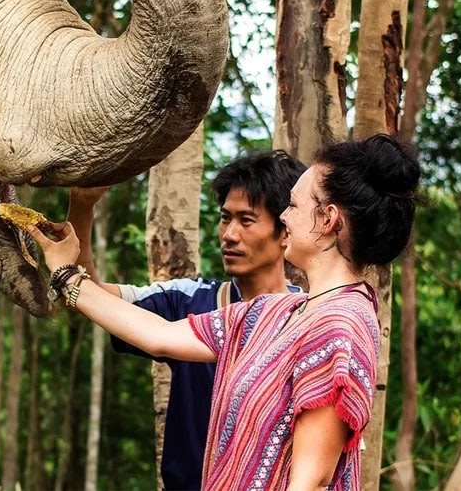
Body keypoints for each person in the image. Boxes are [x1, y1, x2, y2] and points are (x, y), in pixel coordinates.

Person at [29, 134, 420, 490]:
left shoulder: (340, 324)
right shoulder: (274, 313)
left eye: (293, 205)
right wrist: (66, 273)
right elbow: (158, 334)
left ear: (329, 219)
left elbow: (312, 481)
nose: (285, 216)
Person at [66, 150, 306, 491]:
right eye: (225, 218)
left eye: (246, 220)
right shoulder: (190, 301)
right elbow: (91, 296)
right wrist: (82, 207)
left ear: (285, 231)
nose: (229, 234)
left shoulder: (309, 318)